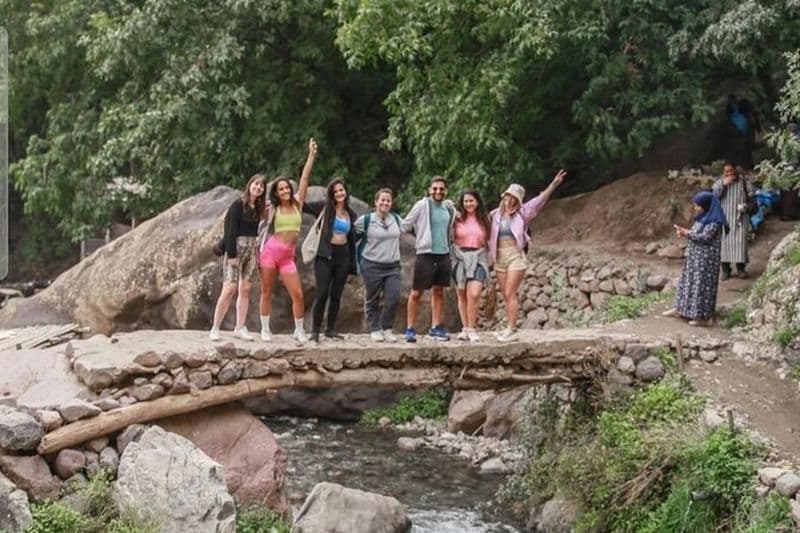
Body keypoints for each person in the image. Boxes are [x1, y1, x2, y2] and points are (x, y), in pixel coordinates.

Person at [490, 170, 566, 342]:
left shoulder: (523, 213)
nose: (509, 200)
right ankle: (509, 327)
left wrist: (553, 184)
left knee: (511, 292)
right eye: (507, 196)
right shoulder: (494, 215)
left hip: (515, 256)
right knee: (505, 293)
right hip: (499, 257)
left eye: (513, 198)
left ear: (518, 201)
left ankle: (511, 328)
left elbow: (540, 201)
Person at [258, 138, 318, 343]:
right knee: (266, 291)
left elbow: (304, 179)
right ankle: (265, 329)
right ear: (276, 192)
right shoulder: (272, 207)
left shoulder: (297, 203)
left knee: (298, 294)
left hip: (287, 257)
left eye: (286, 188)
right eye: (280, 189)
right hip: (270, 252)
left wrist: (311, 155)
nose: (285, 191)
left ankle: (299, 330)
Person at [210, 174, 267, 341]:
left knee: (246, 289)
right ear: (250, 185)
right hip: (236, 249)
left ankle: (240, 326)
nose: (258, 188)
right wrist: (232, 254)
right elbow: (230, 230)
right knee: (229, 289)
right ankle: (215, 327)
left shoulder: (258, 209)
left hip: (252, 249)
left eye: (261, 186)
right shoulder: (237, 205)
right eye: (256, 184)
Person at [401, 176, 456, 343]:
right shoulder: (422, 205)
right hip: (425, 253)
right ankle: (410, 328)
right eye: (435, 188)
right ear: (429, 189)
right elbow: (405, 225)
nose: (438, 191)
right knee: (416, 292)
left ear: (445, 190)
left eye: (441, 189)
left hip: (444, 253)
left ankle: (436, 327)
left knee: (439, 291)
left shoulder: (449, 208)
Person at [662, 191, 728, 326]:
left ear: (706, 206)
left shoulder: (715, 222)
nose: (695, 208)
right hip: (695, 257)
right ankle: (681, 309)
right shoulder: (702, 218)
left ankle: (704, 318)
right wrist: (684, 232)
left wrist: (687, 233)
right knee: (687, 283)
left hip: (706, 261)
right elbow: (695, 234)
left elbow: (704, 237)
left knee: (701, 287)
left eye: (698, 205)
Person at [309, 177, 358, 343]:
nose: (339, 193)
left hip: (343, 256)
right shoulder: (324, 208)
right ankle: (314, 331)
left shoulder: (351, 214)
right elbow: (302, 205)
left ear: (346, 191)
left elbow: (356, 236)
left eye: (341, 190)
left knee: (336, 295)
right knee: (322, 293)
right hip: (325, 255)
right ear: (331, 193)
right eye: (336, 191)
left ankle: (330, 330)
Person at [354, 188, 403, 343]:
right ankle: (375, 329)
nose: (385, 203)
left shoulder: (396, 219)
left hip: (393, 266)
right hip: (371, 265)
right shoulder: (365, 220)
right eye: (382, 200)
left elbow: (410, 227)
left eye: (388, 200)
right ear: (376, 202)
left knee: (393, 297)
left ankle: (387, 328)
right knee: (372, 299)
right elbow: (351, 237)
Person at [451, 189, 490, 342]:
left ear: (477, 201)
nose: (468, 204)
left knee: (473, 294)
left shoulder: (485, 220)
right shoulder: (457, 219)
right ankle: (465, 328)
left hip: (479, 257)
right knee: (461, 293)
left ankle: (472, 329)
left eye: (471, 200)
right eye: (465, 201)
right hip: (459, 257)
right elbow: (446, 206)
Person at [712, 163, 752, 280]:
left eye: (731, 171)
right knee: (724, 244)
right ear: (723, 173)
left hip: (740, 219)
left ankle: (741, 269)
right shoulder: (719, 183)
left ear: (736, 171)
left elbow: (754, 199)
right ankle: (725, 270)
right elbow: (713, 198)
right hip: (724, 219)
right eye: (726, 171)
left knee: (740, 244)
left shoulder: (744, 183)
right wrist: (724, 185)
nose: (729, 174)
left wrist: (746, 207)